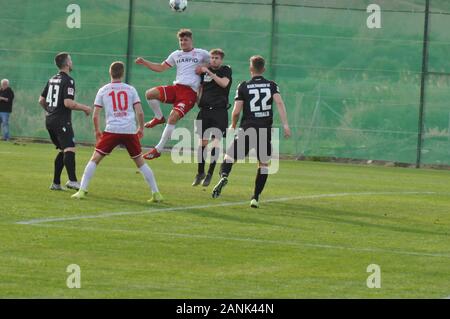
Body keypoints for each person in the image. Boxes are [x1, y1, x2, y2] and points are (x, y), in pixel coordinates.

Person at [71, 62, 162, 202]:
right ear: (123, 73)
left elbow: (95, 115)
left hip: (112, 130)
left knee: (94, 159)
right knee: (140, 162)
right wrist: (141, 128)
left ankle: (82, 190)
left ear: (110, 73)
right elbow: (140, 112)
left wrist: (97, 131)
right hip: (129, 130)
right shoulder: (130, 89)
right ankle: (156, 193)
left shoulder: (103, 90)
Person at [211, 55, 292, 208]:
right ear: (264, 69)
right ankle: (255, 197)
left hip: (247, 128)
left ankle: (224, 176)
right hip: (265, 130)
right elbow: (279, 103)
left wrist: (233, 125)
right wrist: (286, 125)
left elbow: (236, 112)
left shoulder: (243, 86)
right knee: (263, 165)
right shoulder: (272, 85)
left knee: (229, 157)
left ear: (250, 69)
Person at [135, 28, 210, 160]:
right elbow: (161, 67)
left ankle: (158, 149)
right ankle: (158, 117)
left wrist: (204, 67)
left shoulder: (201, 53)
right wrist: (144, 62)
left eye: (185, 39)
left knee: (173, 116)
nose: (183, 42)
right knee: (150, 94)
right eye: (181, 40)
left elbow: (214, 63)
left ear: (191, 40)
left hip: (189, 93)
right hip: (176, 88)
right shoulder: (176, 54)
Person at [39, 52, 92, 191]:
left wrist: (50, 111)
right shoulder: (68, 80)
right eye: (71, 60)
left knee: (63, 150)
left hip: (49, 120)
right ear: (67, 63)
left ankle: (56, 183)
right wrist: (85, 108)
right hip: (61, 121)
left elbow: (41, 100)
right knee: (69, 149)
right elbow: (68, 103)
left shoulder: (52, 79)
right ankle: (73, 181)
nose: (72, 62)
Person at [192, 48, 232, 187]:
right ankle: (200, 172)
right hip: (205, 111)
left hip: (219, 112)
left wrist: (209, 71)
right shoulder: (204, 72)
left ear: (221, 60)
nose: (214, 60)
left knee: (215, 143)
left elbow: (224, 83)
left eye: (216, 58)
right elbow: (201, 87)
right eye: (212, 57)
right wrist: (198, 99)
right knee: (202, 143)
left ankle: (210, 174)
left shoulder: (225, 70)